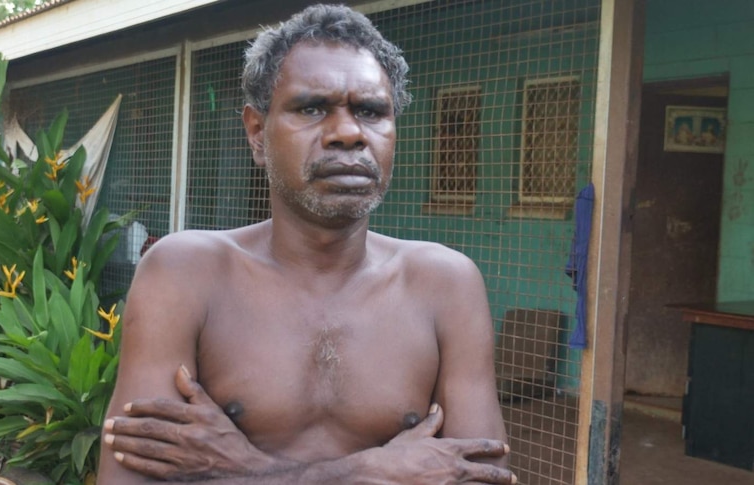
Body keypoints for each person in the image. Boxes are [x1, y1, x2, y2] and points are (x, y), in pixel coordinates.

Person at [97, 4, 515, 484]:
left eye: (371, 111)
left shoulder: (445, 285)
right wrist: (366, 471)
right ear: (257, 133)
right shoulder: (184, 273)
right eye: (312, 108)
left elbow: (481, 478)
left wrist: (240, 469)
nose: (348, 133)